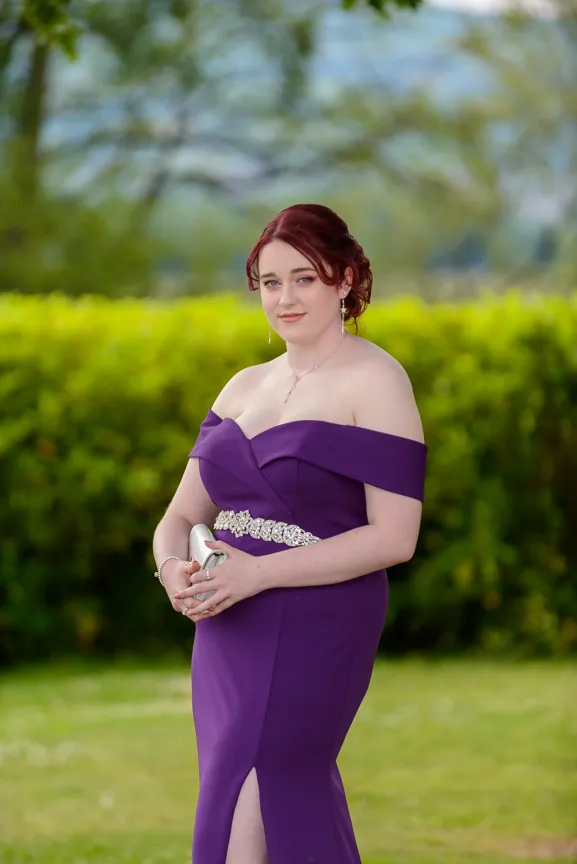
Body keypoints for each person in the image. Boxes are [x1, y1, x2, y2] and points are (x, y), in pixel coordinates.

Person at [152, 203, 428, 864]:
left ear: (345, 278)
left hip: (318, 619)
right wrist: (171, 569)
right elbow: (179, 517)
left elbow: (395, 537)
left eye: (304, 278)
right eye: (270, 282)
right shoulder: (242, 386)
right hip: (226, 628)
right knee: (238, 788)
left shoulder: (376, 379)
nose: (285, 298)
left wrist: (259, 572)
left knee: (265, 783)